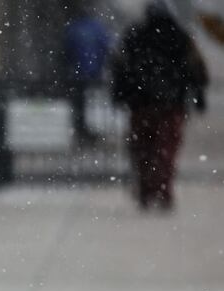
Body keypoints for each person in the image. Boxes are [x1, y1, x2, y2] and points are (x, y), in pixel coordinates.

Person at [112, 0, 209, 211]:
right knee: (166, 149)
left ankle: (147, 190)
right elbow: (197, 69)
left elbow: (119, 67)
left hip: (140, 103)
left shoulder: (134, 36)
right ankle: (163, 191)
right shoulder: (181, 37)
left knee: (142, 150)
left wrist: (119, 95)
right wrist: (198, 96)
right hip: (171, 104)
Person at [64, 6, 110, 144]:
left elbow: (67, 50)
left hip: (78, 73)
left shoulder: (73, 28)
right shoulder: (97, 28)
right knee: (94, 102)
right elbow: (105, 47)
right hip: (94, 72)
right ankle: (93, 130)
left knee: (80, 102)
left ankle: (80, 129)